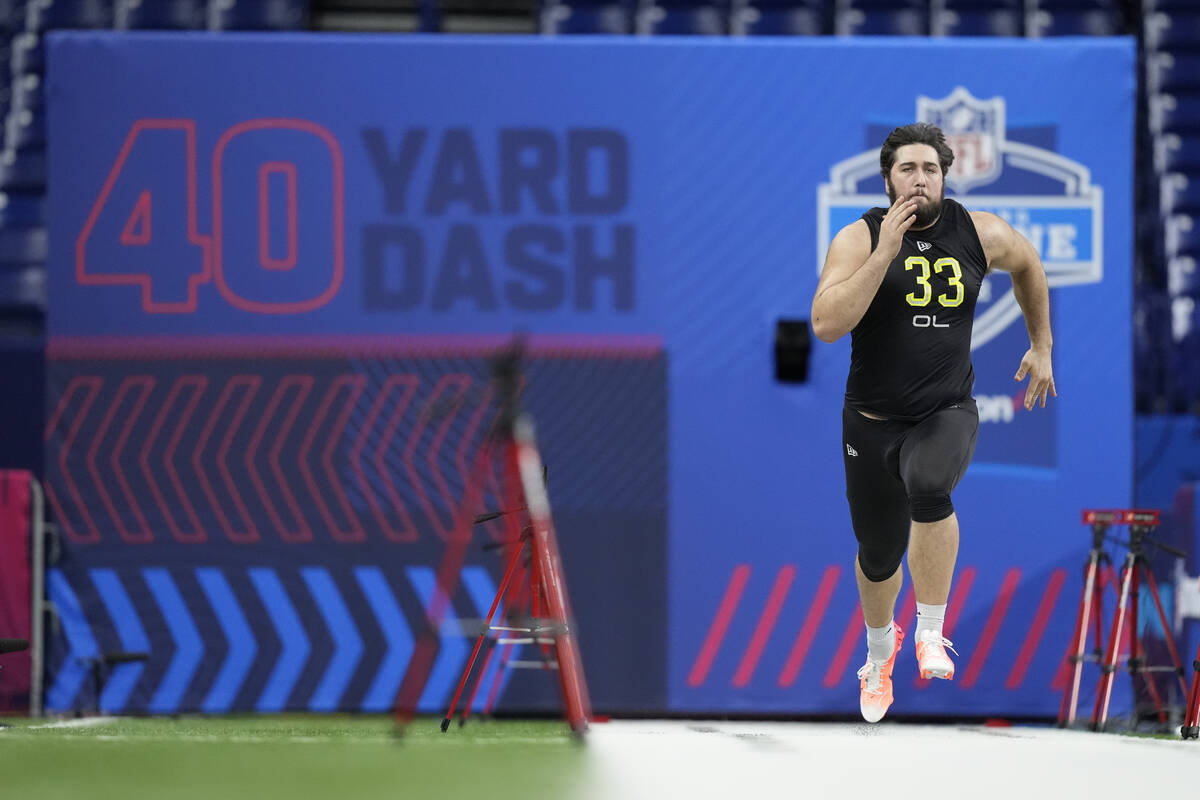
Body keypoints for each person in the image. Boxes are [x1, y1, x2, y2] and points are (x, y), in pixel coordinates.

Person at [810, 122, 1055, 723]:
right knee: (877, 554)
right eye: (908, 170)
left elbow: (1028, 264)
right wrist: (884, 254)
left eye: (931, 170)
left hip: (945, 409)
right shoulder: (859, 237)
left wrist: (1041, 345)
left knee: (929, 485)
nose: (920, 180)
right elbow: (826, 323)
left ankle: (930, 629)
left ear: (944, 177)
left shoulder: (978, 231)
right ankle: (878, 654)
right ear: (887, 179)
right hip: (871, 420)